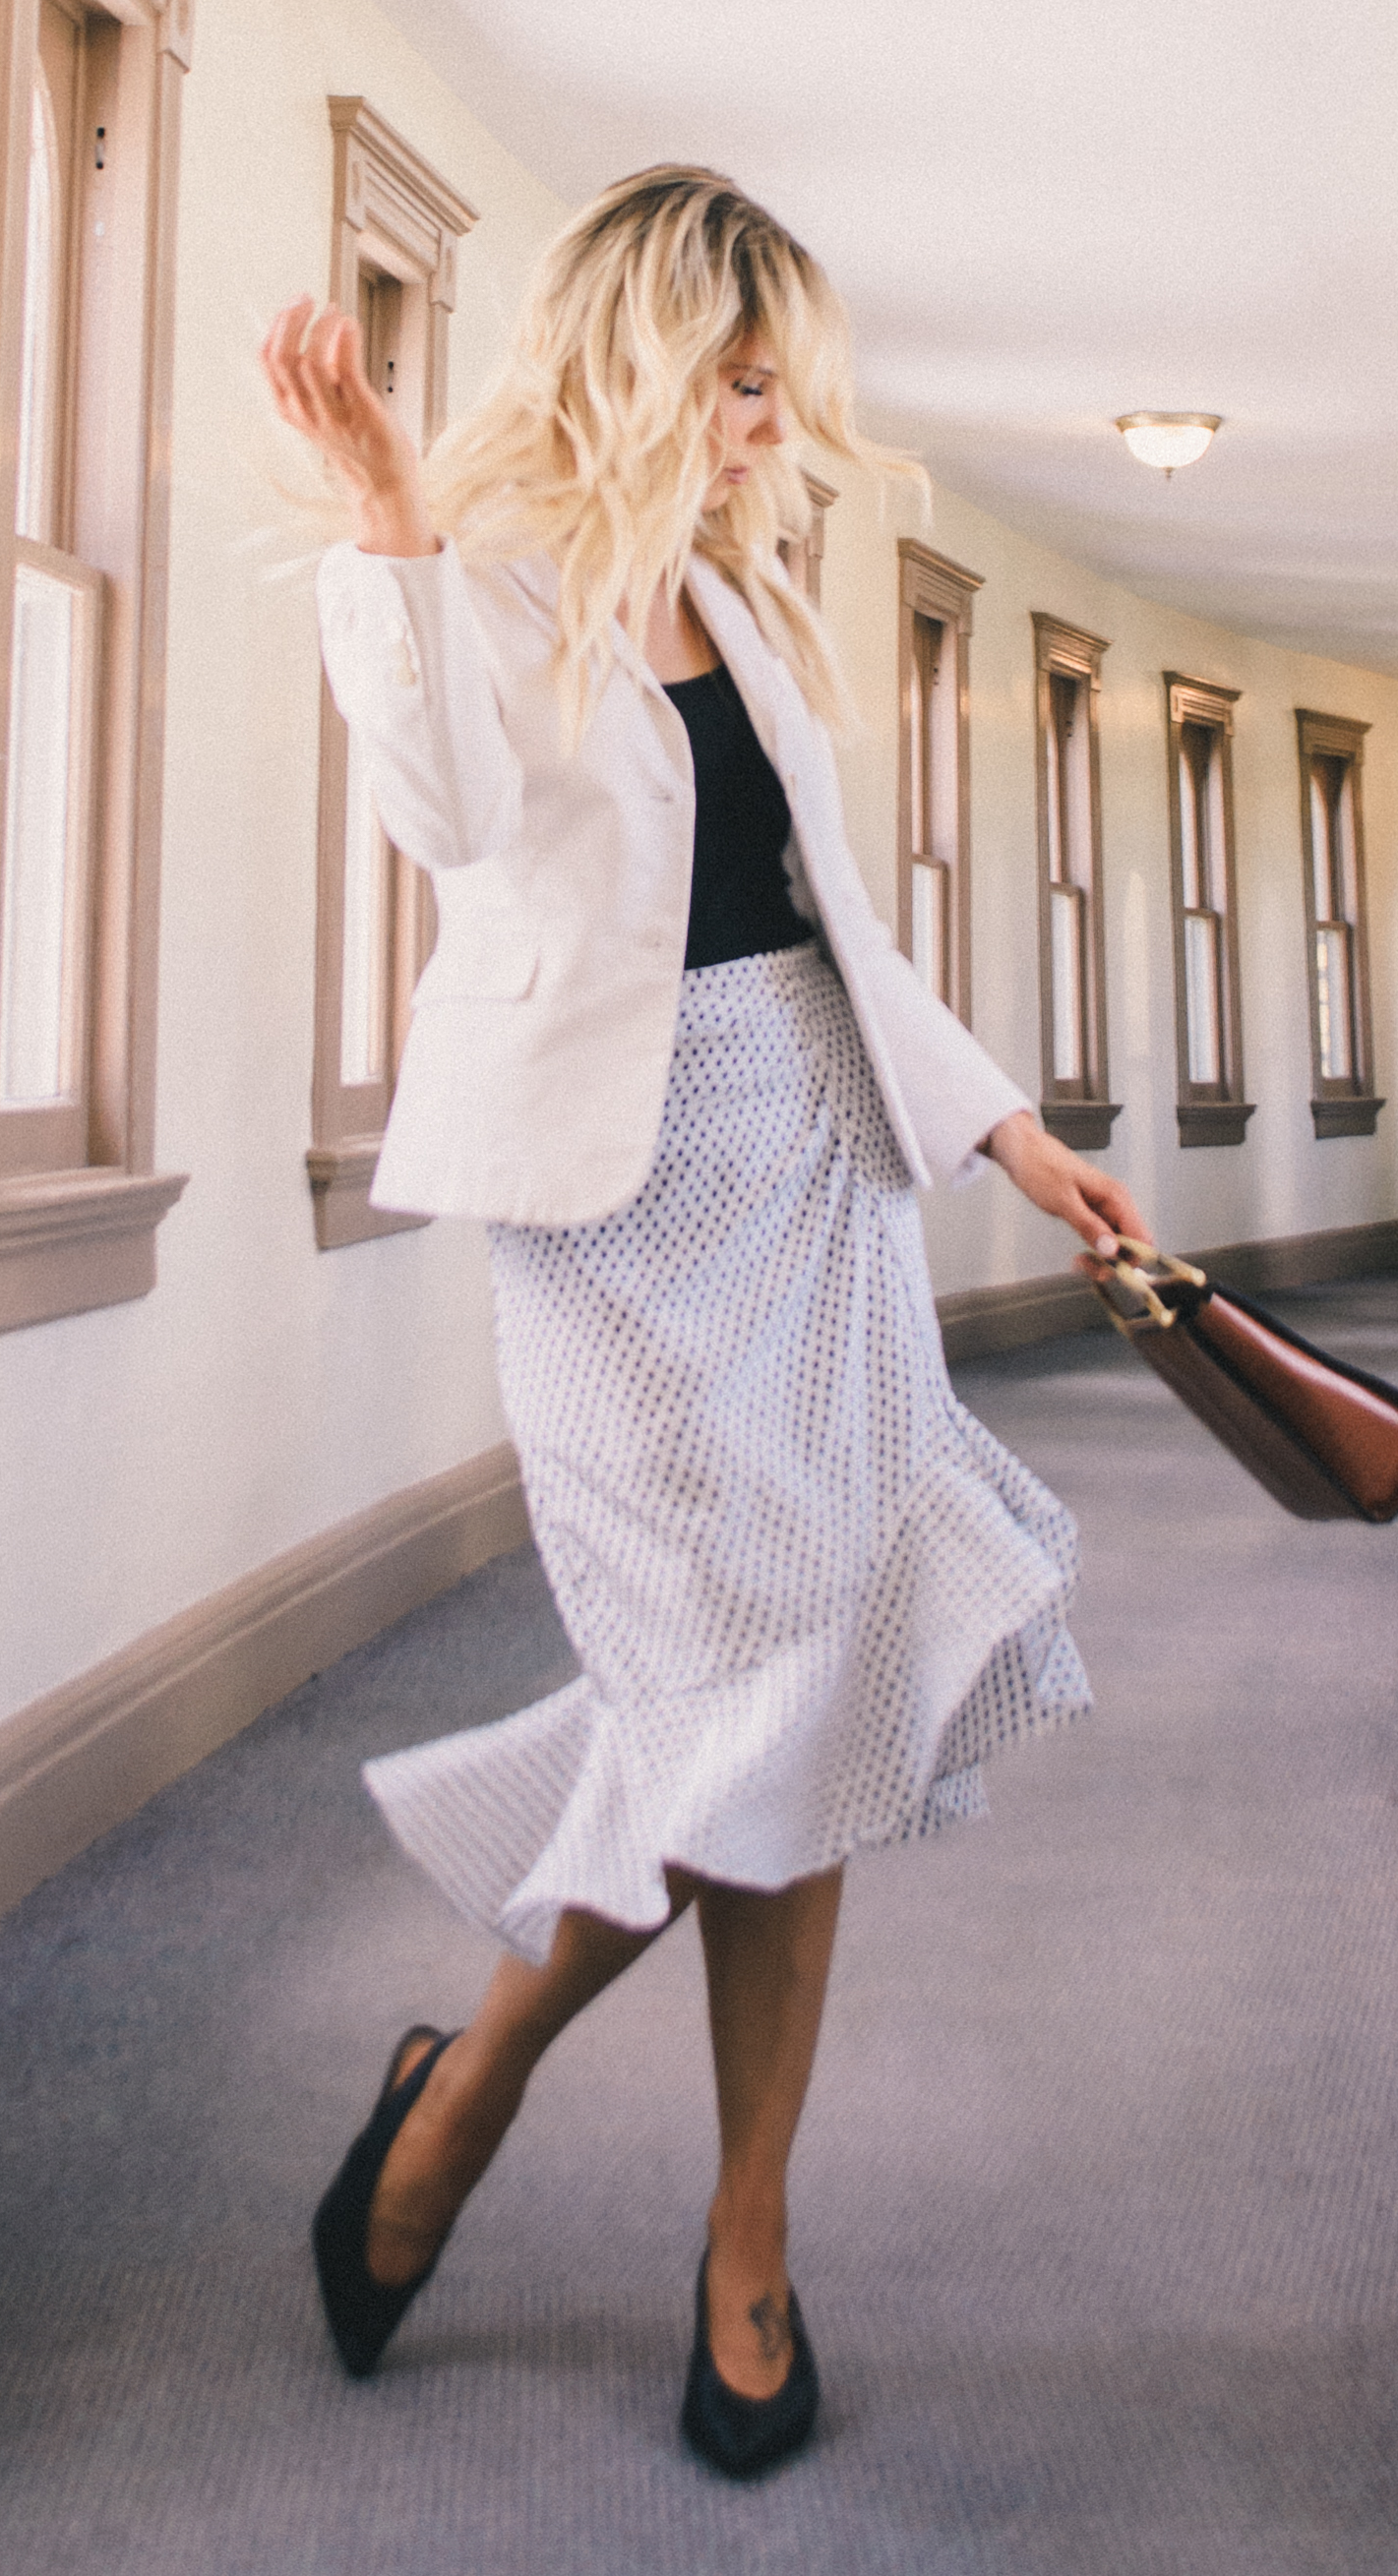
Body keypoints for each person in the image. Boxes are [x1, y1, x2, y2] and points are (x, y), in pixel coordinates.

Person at [262, 165, 1140, 2479]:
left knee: (815, 1690)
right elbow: (445, 811)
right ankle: (464, 2095)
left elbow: (826, 916)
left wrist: (1009, 1134)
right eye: (747, 385)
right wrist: (379, 520)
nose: (778, 430)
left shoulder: (748, 603)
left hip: (813, 1176)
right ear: (649, 361)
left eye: (792, 392)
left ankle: (742, 2235)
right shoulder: (484, 573)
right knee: (717, 1699)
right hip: (611, 1220)